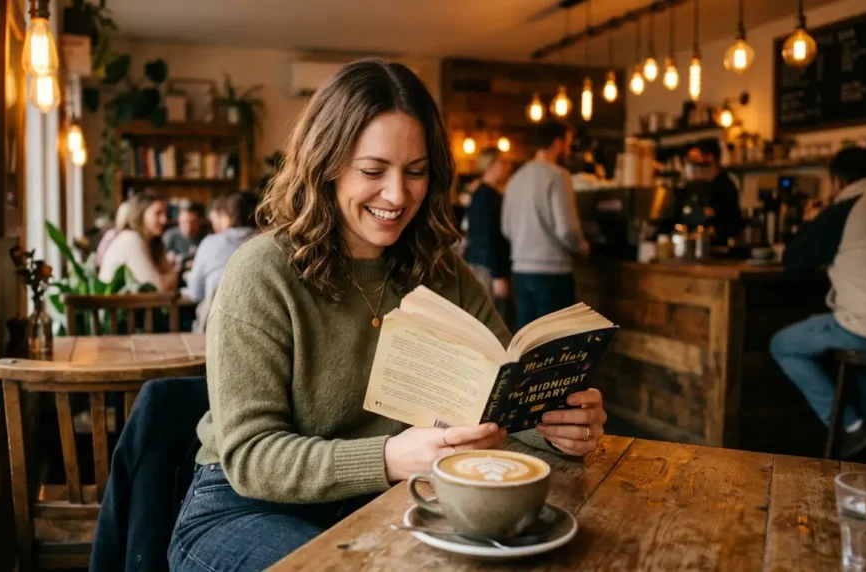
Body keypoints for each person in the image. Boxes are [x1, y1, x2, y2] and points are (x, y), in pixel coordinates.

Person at [168, 59, 608, 572]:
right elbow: (251, 457)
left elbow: (504, 404)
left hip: (387, 504)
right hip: (244, 510)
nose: (398, 196)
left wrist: (559, 424)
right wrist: (390, 457)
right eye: (373, 171)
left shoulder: (443, 273)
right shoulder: (263, 272)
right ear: (327, 164)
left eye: (416, 172)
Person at [771, 147, 866, 457]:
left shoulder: (843, 210)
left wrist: (810, 221)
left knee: (782, 344)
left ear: (836, 181)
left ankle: (850, 427)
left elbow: (794, 262)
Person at [501, 121, 588, 329]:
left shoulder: (515, 179)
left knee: (528, 345)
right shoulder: (558, 176)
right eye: (567, 143)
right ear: (557, 144)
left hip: (521, 271)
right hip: (552, 272)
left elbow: (506, 227)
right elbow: (567, 230)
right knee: (555, 347)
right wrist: (583, 247)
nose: (568, 149)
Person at [182, 191, 259, 305]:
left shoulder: (210, 243)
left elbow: (195, 293)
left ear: (227, 215)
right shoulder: (269, 242)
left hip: (217, 318)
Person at [99, 189, 177, 291]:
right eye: (158, 213)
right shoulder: (130, 239)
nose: (164, 220)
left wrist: (168, 279)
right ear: (141, 213)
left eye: (165, 213)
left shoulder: (154, 243)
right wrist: (171, 277)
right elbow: (156, 288)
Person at [464, 148, 511, 308]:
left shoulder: (481, 193)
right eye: (502, 162)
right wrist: (498, 275)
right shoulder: (487, 196)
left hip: (481, 263)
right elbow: (488, 237)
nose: (506, 167)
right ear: (491, 165)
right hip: (486, 268)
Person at [683, 139, 743, 245]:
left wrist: (713, 230)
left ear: (710, 157)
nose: (692, 164)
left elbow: (732, 221)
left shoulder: (725, 185)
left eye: (696, 159)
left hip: (720, 248)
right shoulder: (698, 185)